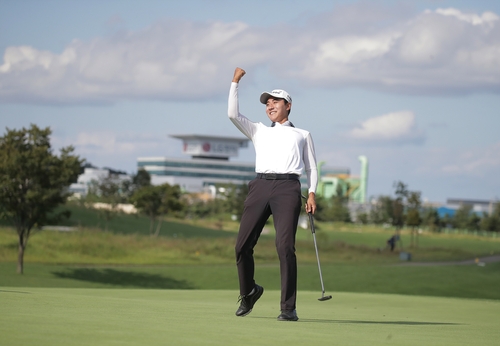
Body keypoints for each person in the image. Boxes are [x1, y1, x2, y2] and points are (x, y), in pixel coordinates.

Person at [228, 67, 318, 322]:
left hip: (288, 188)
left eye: (275, 101)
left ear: (288, 106)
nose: (269, 105)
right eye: (267, 103)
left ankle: (288, 308)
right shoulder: (258, 130)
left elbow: (311, 166)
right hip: (260, 186)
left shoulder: (302, 134)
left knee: (285, 247)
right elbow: (232, 114)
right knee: (242, 246)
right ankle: (249, 292)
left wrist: (311, 194)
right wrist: (235, 82)